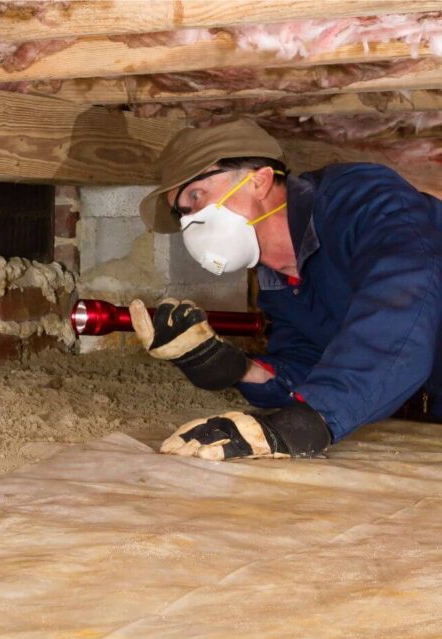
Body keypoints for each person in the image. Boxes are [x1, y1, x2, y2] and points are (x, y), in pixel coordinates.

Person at [131, 118, 442, 460]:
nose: (190, 223)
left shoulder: (364, 203)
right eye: (182, 214)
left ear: (260, 180)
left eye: (196, 196)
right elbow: (311, 364)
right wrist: (236, 368)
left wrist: (306, 423)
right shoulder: (278, 285)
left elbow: (402, 309)